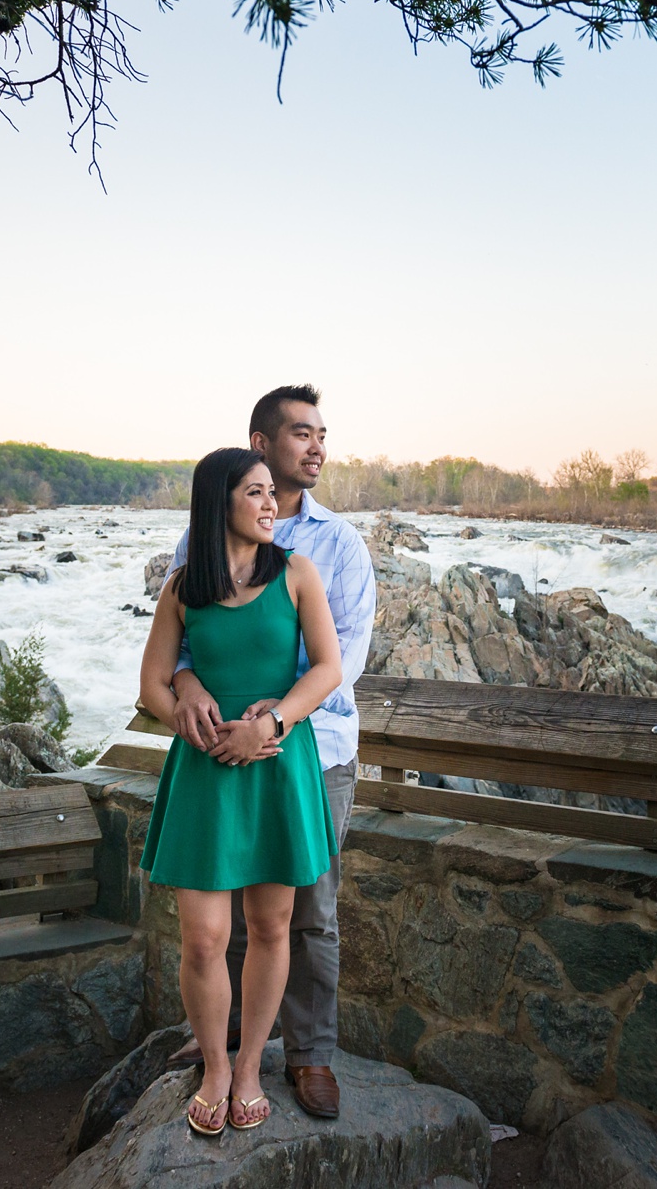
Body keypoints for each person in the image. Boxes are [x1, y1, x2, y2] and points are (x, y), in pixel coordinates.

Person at [165, 385, 375, 1119]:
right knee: (217, 918)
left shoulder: (334, 546)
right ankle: (219, 1051)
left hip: (308, 753)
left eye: (323, 434)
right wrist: (194, 688)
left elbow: (339, 656)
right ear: (261, 443)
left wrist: (270, 723)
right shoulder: (196, 547)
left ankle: (309, 1058)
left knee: (304, 914)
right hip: (224, 753)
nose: (317, 446)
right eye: (300, 433)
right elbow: (183, 648)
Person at [137, 447, 343, 1135]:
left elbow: (328, 670)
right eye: (254, 493)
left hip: (277, 761)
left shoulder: (298, 574)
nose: (271, 504)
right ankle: (216, 1069)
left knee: (271, 927)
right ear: (217, 502)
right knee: (203, 938)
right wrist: (187, 713)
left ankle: (251, 1065)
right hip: (205, 771)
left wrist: (272, 723)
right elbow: (153, 686)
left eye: (271, 493)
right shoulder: (182, 589)